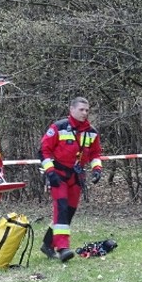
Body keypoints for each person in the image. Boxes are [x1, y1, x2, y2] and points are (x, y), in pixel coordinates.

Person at [40, 97, 103, 262]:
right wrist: (50, 172)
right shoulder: (59, 127)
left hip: (77, 176)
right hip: (58, 174)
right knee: (61, 208)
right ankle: (62, 248)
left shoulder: (92, 132)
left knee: (69, 212)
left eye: (87, 110)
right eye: (81, 110)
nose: (85, 113)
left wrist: (97, 169)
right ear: (72, 110)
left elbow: (95, 153)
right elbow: (43, 150)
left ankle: (47, 244)